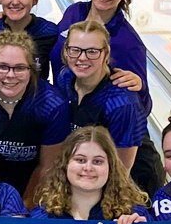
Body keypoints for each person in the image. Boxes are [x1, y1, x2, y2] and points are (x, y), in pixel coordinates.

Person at [49, 0, 164, 194]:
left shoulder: (127, 42)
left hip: (124, 162)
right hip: (78, 141)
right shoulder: (74, 13)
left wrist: (140, 86)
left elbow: (140, 109)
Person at [0, 30, 69, 203]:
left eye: (20, 68)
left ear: (32, 69)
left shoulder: (52, 104)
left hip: (33, 188)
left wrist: (23, 210)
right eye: (2, 66)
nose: (10, 75)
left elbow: (48, 167)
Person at [58, 20, 146, 180]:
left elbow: (120, 172)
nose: (82, 58)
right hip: (81, 174)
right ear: (66, 51)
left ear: (105, 53)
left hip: (120, 182)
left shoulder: (122, 103)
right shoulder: (65, 78)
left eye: (92, 51)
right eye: (75, 50)